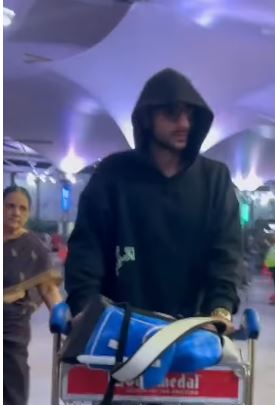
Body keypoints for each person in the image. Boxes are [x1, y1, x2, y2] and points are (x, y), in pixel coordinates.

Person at [65, 68, 241, 328]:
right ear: (147, 118)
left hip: (192, 327)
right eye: (172, 113)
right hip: (118, 327)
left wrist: (220, 309)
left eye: (189, 114)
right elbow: (87, 249)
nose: (184, 124)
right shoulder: (113, 174)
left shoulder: (214, 178)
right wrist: (85, 307)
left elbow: (226, 253)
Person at [3, 186, 64, 405]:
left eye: (22, 208)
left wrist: (64, 318)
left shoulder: (33, 247)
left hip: (12, 338)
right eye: (10, 205)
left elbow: (48, 289)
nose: (16, 212)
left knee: (11, 403)